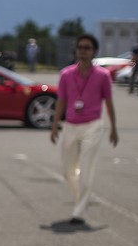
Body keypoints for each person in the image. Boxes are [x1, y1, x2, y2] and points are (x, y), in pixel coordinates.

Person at [49, 34, 118, 227]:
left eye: (87, 48)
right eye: (80, 47)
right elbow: (61, 101)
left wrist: (113, 128)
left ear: (94, 51)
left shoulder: (103, 76)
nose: (82, 51)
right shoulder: (66, 74)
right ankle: (81, 196)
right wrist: (55, 126)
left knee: (87, 168)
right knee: (67, 170)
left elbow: (109, 103)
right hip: (70, 125)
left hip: (93, 126)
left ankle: (78, 211)